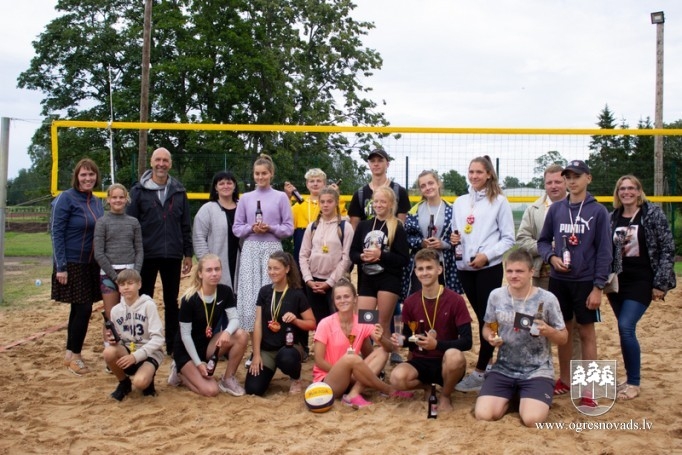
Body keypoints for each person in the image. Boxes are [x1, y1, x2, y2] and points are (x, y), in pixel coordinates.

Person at [537, 160, 612, 403]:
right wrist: (551, 257)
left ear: (588, 178)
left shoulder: (598, 211)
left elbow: (605, 252)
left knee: (587, 332)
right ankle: (566, 379)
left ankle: (589, 388)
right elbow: (543, 241)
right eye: (568, 177)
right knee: (564, 331)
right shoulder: (557, 209)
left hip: (586, 280)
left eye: (576, 176)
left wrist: (598, 287)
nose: (572, 181)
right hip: (560, 279)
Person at [474, 250, 567, 427]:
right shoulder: (496, 296)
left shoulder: (547, 299)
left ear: (532, 272)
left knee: (532, 420)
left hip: (537, 370)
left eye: (519, 271)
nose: (513, 275)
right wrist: (490, 336)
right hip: (503, 368)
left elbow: (563, 338)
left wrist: (548, 331)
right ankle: (515, 397)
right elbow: (487, 326)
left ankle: (525, 397)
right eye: (509, 271)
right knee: (484, 415)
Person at [607, 175, 676, 400]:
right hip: (617, 282)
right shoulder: (613, 217)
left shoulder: (652, 214)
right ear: (617, 193)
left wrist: (660, 283)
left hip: (642, 281)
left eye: (631, 188)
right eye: (622, 189)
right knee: (624, 330)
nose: (626, 192)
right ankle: (629, 379)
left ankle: (634, 383)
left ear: (639, 191)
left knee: (626, 326)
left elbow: (667, 248)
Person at [450, 156, 515, 392]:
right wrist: (454, 238)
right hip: (465, 268)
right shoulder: (460, 202)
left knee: (489, 319)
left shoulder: (499, 201)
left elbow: (509, 239)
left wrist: (487, 255)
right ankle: (489, 365)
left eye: (479, 172)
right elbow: (457, 232)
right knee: (481, 318)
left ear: (489, 174)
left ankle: (480, 371)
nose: (474, 176)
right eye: (471, 171)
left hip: (488, 268)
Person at [127, 147, 193, 355]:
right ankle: (145, 342)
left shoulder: (179, 191)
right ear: (152, 162)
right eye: (158, 160)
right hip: (146, 254)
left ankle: (172, 345)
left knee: (171, 301)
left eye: (165, 160)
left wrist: (188, 254)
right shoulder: (138, 191)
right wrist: (133, 253)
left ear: (170, 164)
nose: (161, 164)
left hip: (172, 254)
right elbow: (131, 224)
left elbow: (185, 224)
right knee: (144, 299)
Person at [390, 248, 472, 412]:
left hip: (446, 361)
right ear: (415, 272)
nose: (425, 272)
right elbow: (410, 339)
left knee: (454, 356)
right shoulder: (410, 302)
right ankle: (428, 387)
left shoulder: (455, 300)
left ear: (439, 270)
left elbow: (467, 341)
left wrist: (437, 345)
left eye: (429, 268)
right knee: (396, 378)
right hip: (421, 361)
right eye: (420, 269)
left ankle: (446, 395)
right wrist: (401, 340)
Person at [516, 165, 582, 359]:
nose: (554, 186)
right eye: (549, 182)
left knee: (573, 326)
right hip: (542, 273)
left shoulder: (581, 207)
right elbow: (522, 239)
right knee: (532, 322)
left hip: (573, 275)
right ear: (544, 184)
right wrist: (546, 249)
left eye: (558, 182)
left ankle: (572, 371)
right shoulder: (534, 209)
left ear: (566, 182)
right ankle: (532, 366)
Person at [313, 279, 411, 408]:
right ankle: (388, 390)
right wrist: (346, 373)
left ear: (355, 299)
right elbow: (319, 361)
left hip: (352, 377)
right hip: (328, 380)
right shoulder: (325, 323)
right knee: (351, 358)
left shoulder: (362, 320)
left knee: (382, 351)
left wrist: (381, 338)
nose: (343, 300)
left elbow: (388, 349)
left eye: (347, 296)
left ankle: (353, 394)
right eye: (338, 298)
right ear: (334, 301)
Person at [233, 154, 294, 349]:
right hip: (250, 249)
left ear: (271, 174)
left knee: (271, 295)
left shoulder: (281, 197)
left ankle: (271, 344)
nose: (260, 177)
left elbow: (288, 228)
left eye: (264, 173)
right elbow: (237, 228)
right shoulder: (246, 198)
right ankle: (255, 348)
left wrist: (271, 228)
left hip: (272, 249)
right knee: (251, 298)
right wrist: (252, 228)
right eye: (257, 173)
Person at [51, 158, 104, 375]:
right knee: (83, 309)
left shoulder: (97, 201)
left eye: (91, 174)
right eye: (83, 174)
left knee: (78, 309)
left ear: (96, 177)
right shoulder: (66, 198)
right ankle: (76, 356)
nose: (87, 178)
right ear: (76, 177)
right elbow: (56, 232)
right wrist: (61, 266)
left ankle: (69, 354)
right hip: (72, 263)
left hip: (91, 263)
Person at [167, 254, 248, 397]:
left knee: (241, 335)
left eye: (217, 269)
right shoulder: (189, 299)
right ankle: (180, 372)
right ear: (200, 274)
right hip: (186, 349)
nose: (214, 273)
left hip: (207, 344)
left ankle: (228, 379)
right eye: (209, 270)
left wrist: (227, 332)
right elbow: (185, 336)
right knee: (211, 390)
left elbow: (234, 319)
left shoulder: (225, 291)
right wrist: (198, 363)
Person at [245, 252, 316, 396]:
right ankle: (269, 368)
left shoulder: (297, 294)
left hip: (290, 347)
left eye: (276, 268)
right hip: (267, 349)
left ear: (287, 269)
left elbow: (312, 324)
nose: (272, 272)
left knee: (286, 358)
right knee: (253, 389)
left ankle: (295, 378)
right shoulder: (264, 292)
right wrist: (256, 355)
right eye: (270, 268)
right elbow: (257, 323)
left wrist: (296, 320)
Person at [350, 186, 410, 347]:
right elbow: (353, 253)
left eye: (383, 201)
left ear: (391, 204)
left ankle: (389, 354)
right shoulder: (364, 226)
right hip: (367, 279)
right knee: (365, 323)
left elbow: (404, 259)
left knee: (382, 324)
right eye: (376, 201)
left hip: (388, 280)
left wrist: (381, 255)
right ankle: (367, 359)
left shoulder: (397, 226)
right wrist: (362, 257)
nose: (378, 205)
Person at [103, 269, 165, 401]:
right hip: (128, 349)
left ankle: (149, 378)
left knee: (140, 383)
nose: (126, 287)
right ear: (118, 288)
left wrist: (136, 356)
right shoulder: (115, 311)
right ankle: (124, 383)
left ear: (139, 285)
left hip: (149, 352)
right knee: (109, 352)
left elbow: (159, 339)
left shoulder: (148, 306)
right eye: (122, 284)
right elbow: (119, 340)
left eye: (130, 283)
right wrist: (114, 340)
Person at [94, 184, 143, 343]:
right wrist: (115, 278)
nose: (118, 200)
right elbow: (99, 253)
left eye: (121, 197)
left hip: (129, 273)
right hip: (109, 275)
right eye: (114, 197)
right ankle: (109, 350)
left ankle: (129, 347)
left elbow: (139, 250)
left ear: (126, 199)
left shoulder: (133, 222)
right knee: (111, 315)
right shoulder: (102, 222)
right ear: (108, 199)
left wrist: (135, 274)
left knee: (130, 314)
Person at [403, 170, 463, 297]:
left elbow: (460, 239)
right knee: (420, 299)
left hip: (445, 264)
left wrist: (443, 244)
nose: (427, 187)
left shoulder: (452, 210)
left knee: (444, 301)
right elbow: (406, 237)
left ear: (438, 184)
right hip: (421, 263)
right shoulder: (414, 211)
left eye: (430, 183)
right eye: (423, 186)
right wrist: (421, 243)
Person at [299, 186, 354, 324]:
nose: (325, 205)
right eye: (322, 202)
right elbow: (303, 255)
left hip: (335, 282)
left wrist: (329, 283)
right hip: (313, 282)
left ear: (336, 203)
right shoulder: (312, 226)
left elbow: (346, 258)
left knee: (338, 321)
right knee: (320, 323)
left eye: (329, 201)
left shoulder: (345, 227)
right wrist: (308, 279)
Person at [283, 168, 346, 267]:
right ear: (307, 184)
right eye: (312, 181)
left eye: (319, 181)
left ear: (325, 184)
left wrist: (335, 196)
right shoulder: (299, 205)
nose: (315, 184)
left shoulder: (330, 205)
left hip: (325, 244)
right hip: (302, 242)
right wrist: (288, 197)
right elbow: (286, 219)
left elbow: (342, 217)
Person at [193, 171, 241, 290]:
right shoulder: (207, 209)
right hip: (218, 261)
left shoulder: (243, 206)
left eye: (229, 183)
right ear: (215, 187)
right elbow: (199, 237)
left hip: (241, 260)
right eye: (221, 183)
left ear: (234, 185)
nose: (226, 186)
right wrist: (207, 262)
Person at [347, 148, 411, 230]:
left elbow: (402, 226)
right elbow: (354, 228)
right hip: (366, 237)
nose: (376, 164)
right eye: (372, 161)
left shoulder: (399, 192)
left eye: (380, 160)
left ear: (387, 164)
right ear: (369, 164)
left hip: (391, 237)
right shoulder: (360, 194)